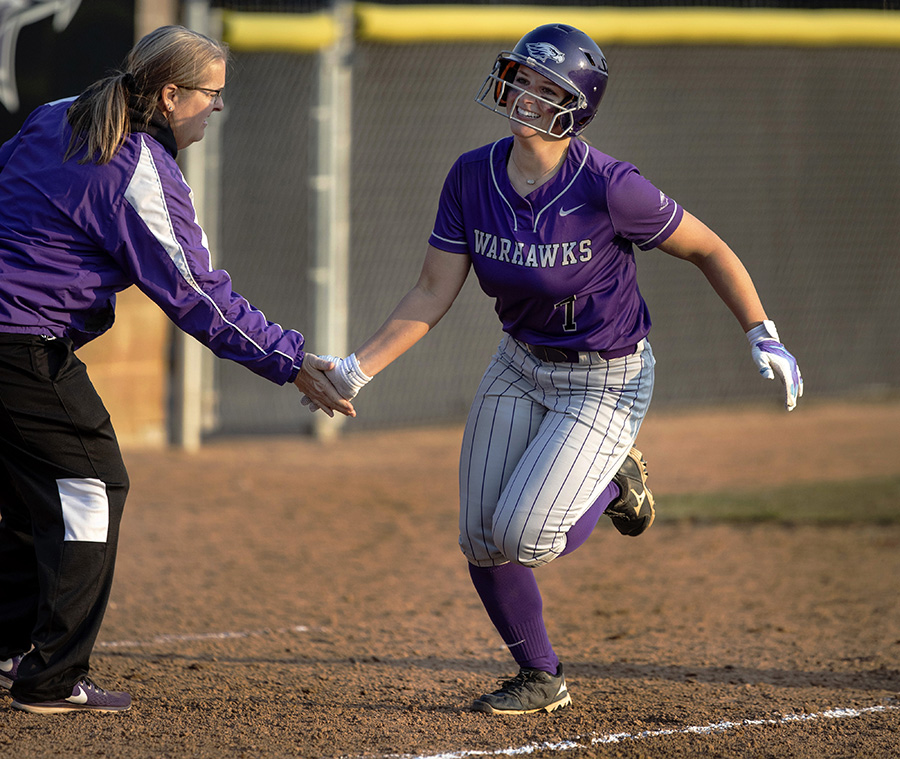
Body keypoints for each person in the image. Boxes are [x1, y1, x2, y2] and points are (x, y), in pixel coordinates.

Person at [308, 23, 803, 715]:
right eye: (521, 77)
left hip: (607, 378)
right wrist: (357, 369)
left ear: (577, 106)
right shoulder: (470, 176)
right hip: (519, 365)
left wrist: (762, 330)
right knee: (480, 537)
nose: (525, 94)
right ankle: (541, 676)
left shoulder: (610, 186)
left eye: (548, 88)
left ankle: (617, 475)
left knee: (524, 535)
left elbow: (709, 248)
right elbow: (430, 291)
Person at [0, 25, 354, 714]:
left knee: (32, 492)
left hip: (14, 339)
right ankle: (49, 678)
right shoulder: (137, 168)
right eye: (210, 95)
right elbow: (200, 299)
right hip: (20, 345)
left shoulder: (55, 115)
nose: (217, 109)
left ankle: (14, 641)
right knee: (91, 486)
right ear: (169, 96)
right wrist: (290, 362)